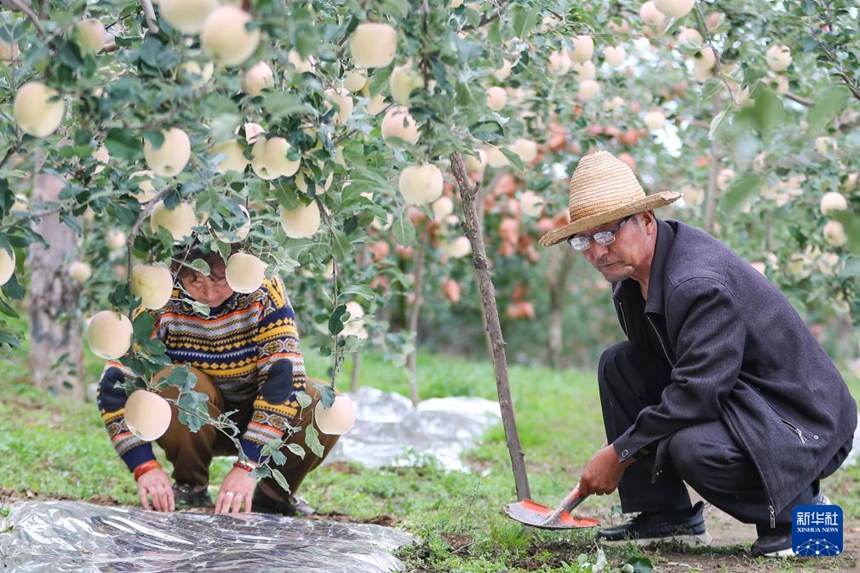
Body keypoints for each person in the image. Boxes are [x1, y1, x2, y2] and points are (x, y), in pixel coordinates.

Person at [538, 151, 857, 557]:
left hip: (801, 421)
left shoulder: (695, 282)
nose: (597, 252)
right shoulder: (632, 279)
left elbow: (698, 393)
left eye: (607, 234)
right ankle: (666, 516)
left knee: (693, 448)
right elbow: (672, 369)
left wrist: (620, 452)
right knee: (619, 365)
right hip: (742, 398)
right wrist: (631, 445)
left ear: (647, 222)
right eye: (584, 239)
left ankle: (807, 519)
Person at [97, 244, 339, 515]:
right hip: (195, 421)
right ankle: (190, 487)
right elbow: (115, 383)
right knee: (176, 383)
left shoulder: (261, 288)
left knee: (325, 402)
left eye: (220, 280)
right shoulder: (158, 292)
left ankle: (272, 496)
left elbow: (281, 380)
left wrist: (248, 464)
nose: (209, 293)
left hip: (257, 413)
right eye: (194, 281)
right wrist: (144, 466)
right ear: (177, 271)